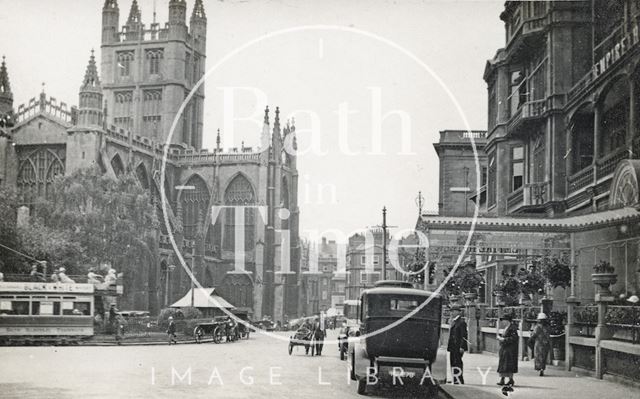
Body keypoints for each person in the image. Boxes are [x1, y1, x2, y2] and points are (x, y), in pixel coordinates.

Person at [447, 304, 468, 384]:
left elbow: (464, 335)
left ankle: (459, 379)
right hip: (453, 347)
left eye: (452, 311)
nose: (451, 313)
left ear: (457, 312)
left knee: (457, 362)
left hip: (457, 347)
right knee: (453, 362)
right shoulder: (454, 321)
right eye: (451, 311)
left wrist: (462, 347)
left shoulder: (461, 322)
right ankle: (455, 378)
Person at [497, 313, 519, 386]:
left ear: (507, 321)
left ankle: (510, 379)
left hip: (510, 349)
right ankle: (503, 379)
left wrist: (503, 339)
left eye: (504, 320)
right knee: (503, 364)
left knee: (508, 365)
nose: (503, 322)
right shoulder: (507, 327)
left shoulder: (512, 328)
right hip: (505, 349)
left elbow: (514, 338)